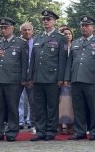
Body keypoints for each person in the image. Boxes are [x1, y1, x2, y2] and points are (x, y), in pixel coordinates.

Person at [64, 16, 95, 140]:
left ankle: (94, 131)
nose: (84, 28)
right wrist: (67, 77)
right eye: (82, 26)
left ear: (93, 28)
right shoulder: (76, 42)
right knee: (78, 107)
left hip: (92, 80)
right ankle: (80, 131)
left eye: (87, 26)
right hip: (76, 79)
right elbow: (70, 62)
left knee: (94, 107)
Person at [0, 18, 29, 142]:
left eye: (6, 27)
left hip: (13, 80)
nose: (3, 30)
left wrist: (23, 79)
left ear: (12, 28)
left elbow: (24, 63)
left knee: (12, 107)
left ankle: (12, 132)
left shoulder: (20, 43)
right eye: (1, 28)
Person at [28, 10, 68, 141]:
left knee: (52, 106)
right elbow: (33, 59)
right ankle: (40, 131)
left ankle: (51, 130)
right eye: (44, 19)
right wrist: (31, 76)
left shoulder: (60, 38)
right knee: (39, 106)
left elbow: (62, 59)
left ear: (54, 21)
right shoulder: (38, 38)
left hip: (52, 77)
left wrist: (61, 78)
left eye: (48, 19)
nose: (46, 21)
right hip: (38, 77)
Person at [19, 22, 36, 131]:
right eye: (24, 30)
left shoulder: (37, 43)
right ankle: (19, 121)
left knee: (32, 100)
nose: (27, 32)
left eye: (29, 29)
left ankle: (31, 121)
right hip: (18, 76)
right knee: (19, 100)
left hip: (32, 76)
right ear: (20, 32)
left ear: (32, 31)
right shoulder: (17, 43)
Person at [58, 27, 74, 134]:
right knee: (59, 103)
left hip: (71, 78)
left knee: (70, 103)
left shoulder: (75, 46)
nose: (67, 35)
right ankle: (59, 125)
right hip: (59, 78)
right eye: (65, 34)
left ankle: (70, 125)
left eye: (69, 33)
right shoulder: (59, 46)